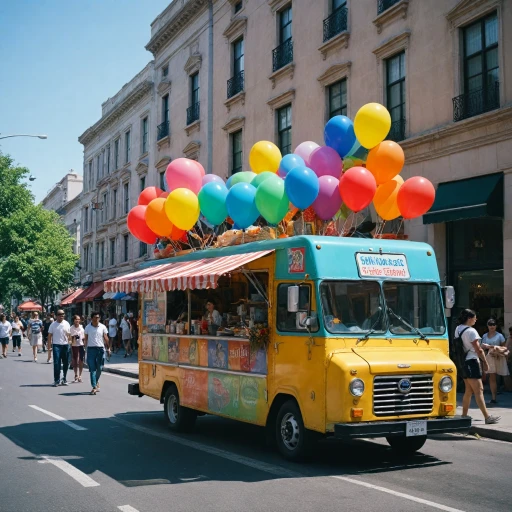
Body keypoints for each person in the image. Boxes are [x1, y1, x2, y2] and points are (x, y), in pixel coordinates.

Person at [458, 309, 500, 424]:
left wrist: (486, 346)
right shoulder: (471, 331)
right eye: (475, 317)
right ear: (469, 318)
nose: (476, 320)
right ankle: (487, 417)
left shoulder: (458, 329)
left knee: (469, 390)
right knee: (479, 389)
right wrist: (485, 362)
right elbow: (478, 350)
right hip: (472, 361)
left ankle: (464, 415)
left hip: (463, 362)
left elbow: (472, 345)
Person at [481, 319, 509, 404]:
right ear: (487, 326)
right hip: (489, 357)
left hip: (498, 357)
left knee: (503, 375)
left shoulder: (500, 335)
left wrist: (491, 347)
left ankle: (503, 390)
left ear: (496, 326)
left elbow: (504, 348)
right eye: (490, 324)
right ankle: (494, 397)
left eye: (493, 324)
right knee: (492, 377)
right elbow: (482, 347)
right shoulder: (485, 336)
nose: (492, 326)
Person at [84, 311, 110, 395]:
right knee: (92, 369)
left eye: (98, 317)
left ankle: (96, 381)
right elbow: (86, 339)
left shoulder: (103, 327)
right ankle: (94, 386)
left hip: (100, 349)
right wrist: (85, 349)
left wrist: (108, 348)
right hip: (91, 349)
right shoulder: (87, 327)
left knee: (100, 368)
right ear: (92, 318)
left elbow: (106, 338)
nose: (97, 319)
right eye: (95, 317)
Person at [48, 310, 71, 386]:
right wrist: (49, 346)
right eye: (60, 314)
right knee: (57, 363)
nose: (62, 316)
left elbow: (69, 334)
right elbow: (49, 336)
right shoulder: (53, 325)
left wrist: (70, 340)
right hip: (56, 345)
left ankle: (64, 378)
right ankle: (57, 380)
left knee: (66, 362)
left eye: (63, 314)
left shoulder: (66, 323)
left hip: (65, 345)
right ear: (56, 315)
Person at [70, 315, 85, 383]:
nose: (77, 321)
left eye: (79, 319)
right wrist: (74, 337)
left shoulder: (81, 328)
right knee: (75, 361)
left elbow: (84, 337)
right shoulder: (71, 328)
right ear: (73, 320)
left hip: (81, 345)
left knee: (81, 360)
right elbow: (69, 339)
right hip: (74, 345)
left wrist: (85, 344)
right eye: (76, 319)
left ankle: (80, 376)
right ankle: (76, 374)